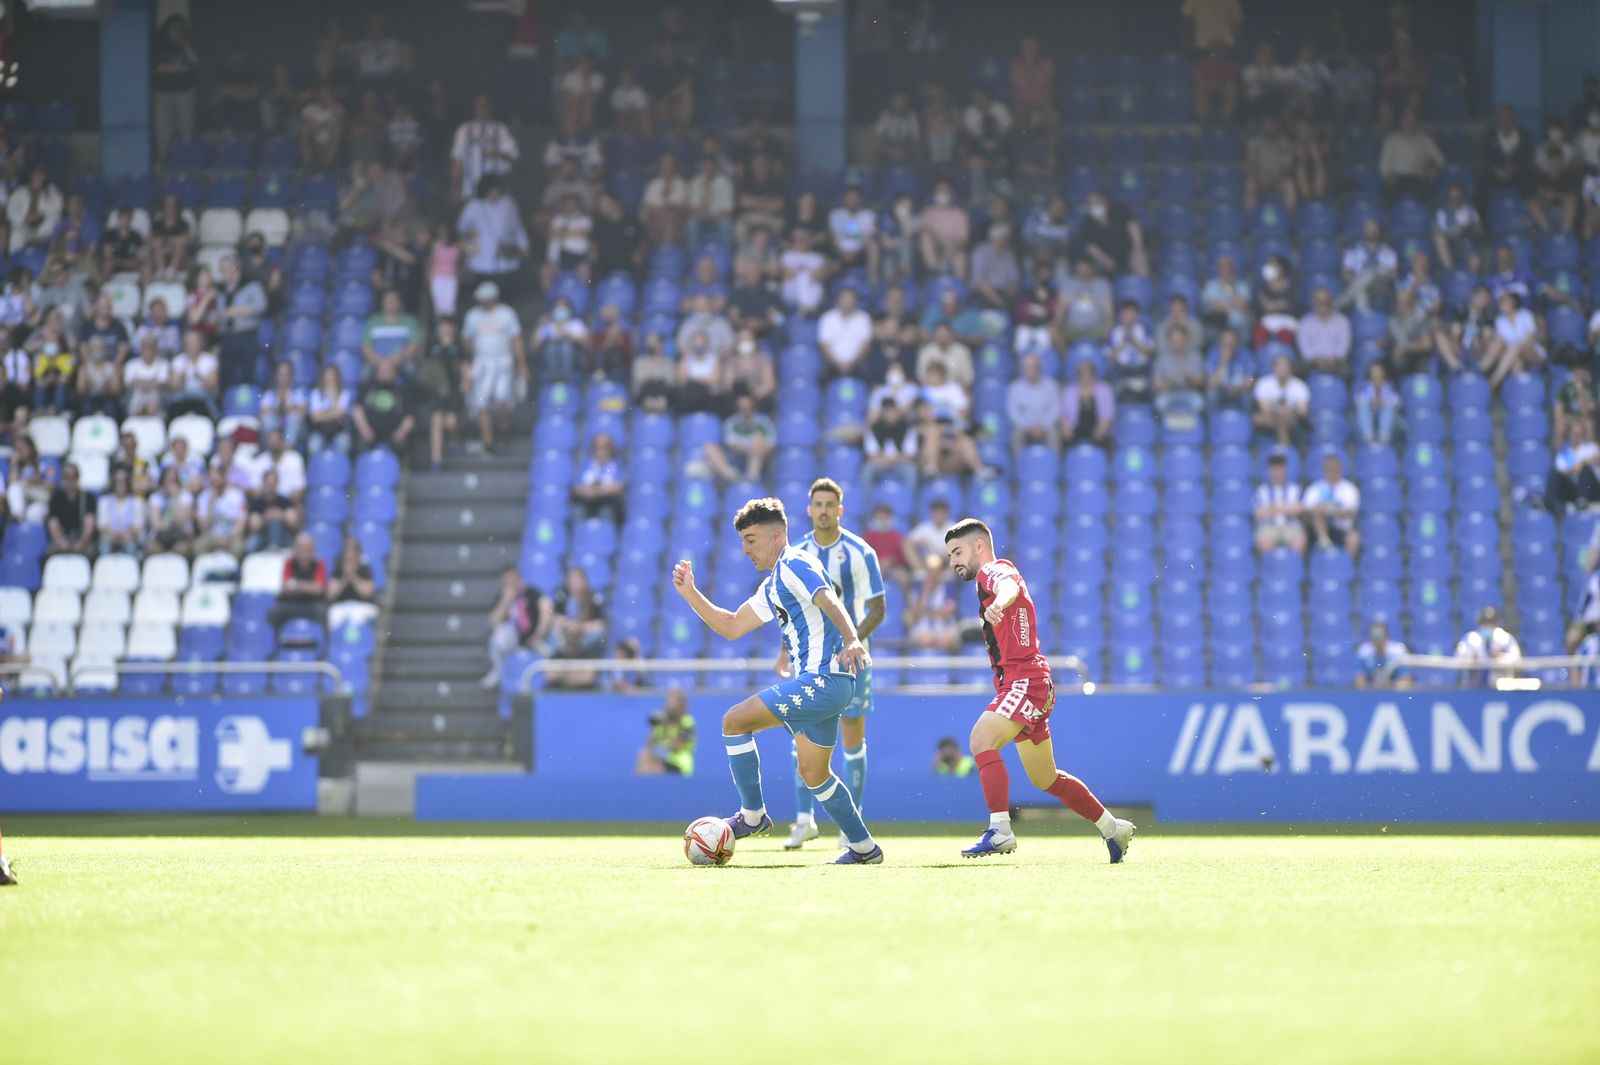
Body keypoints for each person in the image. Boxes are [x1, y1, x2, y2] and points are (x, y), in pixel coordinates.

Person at [670, 497, 881, 864]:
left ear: (777, 534)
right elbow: (733, 625)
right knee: (814, 773)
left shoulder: (796, 563)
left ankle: (752, 815)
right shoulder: (774, 583)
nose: (745, 549)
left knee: (735, 721)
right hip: (827, 685)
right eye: (742, 541)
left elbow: (828, 597)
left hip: (824, 680)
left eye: (751, 539)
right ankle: (864, 847)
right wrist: (691, 594)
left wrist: (851, 639)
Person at [943, 518, 1136, 862]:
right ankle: (1113, 828)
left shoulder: (992, 571)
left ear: (979, 547)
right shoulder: (994, 576)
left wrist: (999, 603)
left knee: (980, 741)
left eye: (957, 552)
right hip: (1032, 682)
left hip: (1024, 681)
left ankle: (1000, 830)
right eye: (949, 555)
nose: (953, 561)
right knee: (1046, 778)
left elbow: (1008, 586)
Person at [783, 479, 887, 850]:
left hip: (853, 660)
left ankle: (850, 824)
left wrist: (851, 641)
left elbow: (878, 608)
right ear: (809, 510)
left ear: (840, 509)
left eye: (831, 504)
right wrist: (784, 649)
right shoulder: (796, 553)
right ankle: (803, 820)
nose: (824, 510)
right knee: (802, 737)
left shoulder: (860, 552)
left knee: (852, 738)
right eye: (818, 505)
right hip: (810, 658)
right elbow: (789, 608)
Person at [460, 281, 525, 455]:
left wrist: (522, 365)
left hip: (503, 362)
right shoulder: (472, 315)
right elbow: (466, 342)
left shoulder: (507, 314)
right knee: (482, 404)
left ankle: (503, 430)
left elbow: (516, 340)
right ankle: (487, 442)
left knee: (502, 399)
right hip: (482, 363)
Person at [450, 94, 519, 203]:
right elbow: (457, 161)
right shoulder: (464, 130)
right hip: (471, 193)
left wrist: (496, 153)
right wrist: (455, 188)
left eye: (484, 105)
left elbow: (512, 157)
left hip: (496, 194)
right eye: (478, 105)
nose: (481, 108)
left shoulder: (501, 129)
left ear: (490, 107)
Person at [701, 392, 775, 483]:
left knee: (757, 443)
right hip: (735, 459)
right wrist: (749, 448)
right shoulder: (732, 422)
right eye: (742, 408)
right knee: (709, 447)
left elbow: (771, 445)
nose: (745, 410)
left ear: (753, 407)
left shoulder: (763, 422)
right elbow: (734, 446)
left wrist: (754, 447)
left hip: (760, 460)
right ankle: (734, 478)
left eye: (747, 407)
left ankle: (751, 480)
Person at [1304, 453, 1362, 557]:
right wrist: (1333, 510)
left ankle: (1347, 569)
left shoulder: (1349, 489)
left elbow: (1348, 512)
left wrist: (1326, 509)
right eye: (1329, 469)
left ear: (1341, 470)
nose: (1332, 473)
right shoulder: (1315, 488)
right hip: (1317, 530)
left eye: (1335, 469)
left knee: (1354, 539)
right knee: (1316, 516)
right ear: (1324, 470)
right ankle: (1325, 544)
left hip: (1342, 529)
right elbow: (1307, 509)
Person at [269, 532, 328, 631]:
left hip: (312, 604)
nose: (303, 551)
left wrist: (295, 584)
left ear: (313, 549)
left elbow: (318, 589)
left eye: (307, 548)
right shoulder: (289, 562)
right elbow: (284, 587)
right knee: (274, 612)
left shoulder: (319, 563)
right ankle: (274, 643)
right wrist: (308, 587)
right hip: (291, 603)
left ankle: (325, 645)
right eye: (300, 547)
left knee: (322, 612)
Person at [352, 360, 415, 453]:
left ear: (394, 373)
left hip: (394, 433)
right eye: (383, 370)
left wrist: (400, 433)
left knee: (402, 446)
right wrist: (364, 429)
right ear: (377, 372)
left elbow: (410, 418)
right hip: (369, 432)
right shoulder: (367, 387)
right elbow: (357, 410)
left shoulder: (401, 391)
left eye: (388, 370)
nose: (385, 373)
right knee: (359, 446)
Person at [1454, 606, 1522, 687]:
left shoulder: (1505, 638)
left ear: (1497, 623)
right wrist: (1470, 659)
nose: (1487, 625)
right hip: (1473, 687)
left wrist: (1502, 657)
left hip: (1501, 687)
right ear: (1479, 623)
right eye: (1484, 622)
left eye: (1490, 622)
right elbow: (1457, 659)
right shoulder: (1470, 639)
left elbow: (1517, 659)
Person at [1007, 351, 1061, 453]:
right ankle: (1019, 466)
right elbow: (1013, 413)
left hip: (1046, 426)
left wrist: (1043, 426)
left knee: (1054, 434)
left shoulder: (1051, 386)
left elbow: (1055, 410)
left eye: (1034, 367)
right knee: (1016, 435)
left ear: (1040, 368)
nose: (1031, 370)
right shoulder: (1015, 388)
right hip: (1024, 427)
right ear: (1023, 370)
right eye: (1028, 367)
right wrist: (1028, 427)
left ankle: (1055, 465)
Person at [1253, 453, 1307, 554]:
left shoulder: (1295, 489)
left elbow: (1299, 510)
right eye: (1274, 469)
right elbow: (1258, 513)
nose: (1277, 473)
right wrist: (1286, 508)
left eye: (1280, 469)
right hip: (1268, 527)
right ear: (1269, 470)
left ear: (1285, 469)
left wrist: (1272, 508)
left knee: (1300, 541)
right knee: (1264, 543)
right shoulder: (1261, 491)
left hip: (1291, 526)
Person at [636, 687, 696, 775]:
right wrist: (655, 726)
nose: (669, 706)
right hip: (662, 759)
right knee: (643, 755)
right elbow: (649, 744)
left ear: (681, 705)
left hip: (679, 765)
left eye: (673, 702)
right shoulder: (663, 720)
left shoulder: (688, 722)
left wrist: (667, 726)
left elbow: (677, 747)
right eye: (668, 701)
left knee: (656, 769)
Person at [1253, 353, 1310, 445]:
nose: (1282, 369)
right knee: (1259, 418)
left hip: (1292, 418)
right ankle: (1286, 452)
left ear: (1291, 369)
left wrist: (1290, 411)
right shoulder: (1263, 383)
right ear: (1273, 368)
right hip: (1270, 417)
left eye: (1285, 366)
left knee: (1283, 422)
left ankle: (1283, 452)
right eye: (1279, 366)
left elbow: (1303, 412)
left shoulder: (1300, 386)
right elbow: (1264, 409)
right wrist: (1280, 412)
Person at [571, 432, 625, 525]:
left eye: (605, 447)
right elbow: (576, 487)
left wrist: (598, 491)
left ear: (611, 449)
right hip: (585, 503)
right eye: (597, 447)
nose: (601, 450)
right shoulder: (586, 464)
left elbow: (619, 486)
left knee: (606, 513)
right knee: (577, 513)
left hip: (607, 503)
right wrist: (588, 491)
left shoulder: (614, 466)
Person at [1547, 418, 1600, 511]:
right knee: (1554, 474)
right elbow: (1561, 470)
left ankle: (1582, 499)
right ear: (1570, 434)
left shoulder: (1590, 447)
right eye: (1574, 434)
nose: (1576, 436)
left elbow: (1597, 458)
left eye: (1578, 434)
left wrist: (1582, 463)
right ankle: (1549, 500)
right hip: (1573, 486)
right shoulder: (1565, 452)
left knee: (1585, 469)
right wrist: (1573, 470)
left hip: (1592, 489)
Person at [46, 462, 97, 556]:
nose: (70, 481)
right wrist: (61, 542)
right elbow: (53, 522)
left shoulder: (87, 498)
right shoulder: (56, 498)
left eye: (72, 477)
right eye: (66, 477)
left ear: (78, 478)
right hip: (62, 537)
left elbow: (89, 523)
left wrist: (81, 542)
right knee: (49, 554)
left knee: (91, 552)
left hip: (81, 538)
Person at [96, 467, 145, 555]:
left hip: (130, 537)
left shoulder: (137, 502)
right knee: (105, 546)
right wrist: (115, 533)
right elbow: (102, 526)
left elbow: (138, 527)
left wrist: (124, 534)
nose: (120, 485)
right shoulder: (104, 501)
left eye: (123, 482)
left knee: (130, 546)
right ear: (113, 483)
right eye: (117, 482)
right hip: (110, 537)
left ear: (127, 483)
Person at [1354, 620, 1412, 689]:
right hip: (1372, 691)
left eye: (1379, 635)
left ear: (1387, 637)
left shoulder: (1398, 651)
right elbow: (1359, 679)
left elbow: (1405, 679)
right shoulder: (1364, 652)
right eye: (1373, 636)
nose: (1377, 640)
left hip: (1394, 691)